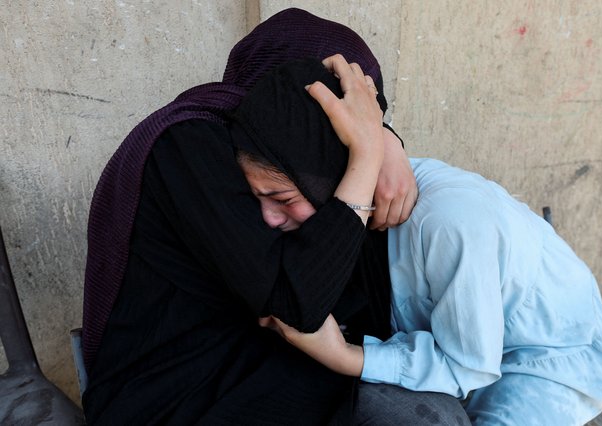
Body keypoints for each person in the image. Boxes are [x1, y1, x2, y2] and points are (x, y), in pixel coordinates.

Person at [230, 57, 602, 425]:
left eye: (282, 199)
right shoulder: (350, 196)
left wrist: (343, 355)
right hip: (463, 353)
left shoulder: (446, 224)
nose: (268, 217)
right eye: (257, 197)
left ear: (325, 175)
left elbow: (467, 365)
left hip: (545, 359)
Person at [81, 8, 423, 425]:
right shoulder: (189, 145)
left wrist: (385, 139)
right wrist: (369, 154)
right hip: (175, 394)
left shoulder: (298, 161)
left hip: (264, 369)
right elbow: (297, 303)